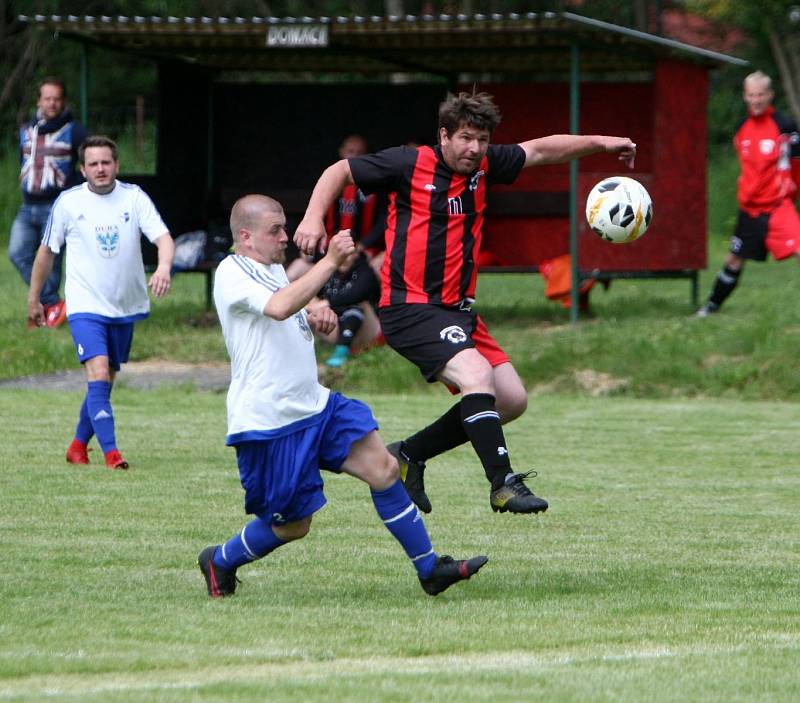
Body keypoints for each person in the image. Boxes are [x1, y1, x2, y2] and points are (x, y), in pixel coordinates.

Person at [295, 91, 636, 516]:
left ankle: (409, 455)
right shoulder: (410, 162)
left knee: (511, 399)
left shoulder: (487, 164)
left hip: (457, 312)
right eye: (466, 138)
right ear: (444, 136)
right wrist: (312, 218)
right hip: (410, 307)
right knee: (478, 375)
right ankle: (502, 484)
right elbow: (339, 170)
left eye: (482, 140)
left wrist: (601, 143)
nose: (474, 149)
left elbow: (542, 149)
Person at [197, 194, 487, 598]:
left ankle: (430, 569)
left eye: (284, 227)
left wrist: (316, 311)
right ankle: (220, 560)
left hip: (316, 405)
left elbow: (290, 305)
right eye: (275, 230)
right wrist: (330, 263)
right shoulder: (231, 271)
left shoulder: (272, 269)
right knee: (293, 525)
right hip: (270, 421)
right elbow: (279, 308)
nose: (285, 237)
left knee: (385, 469)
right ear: (245, 236)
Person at [27, 136, 174, 469]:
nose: (100, 169)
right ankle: (112, 454)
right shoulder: (67, 203)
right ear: (82, 169)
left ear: (116, 166)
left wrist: (164, 267)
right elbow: (47, 252)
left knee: (105, 379)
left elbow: (163, 237)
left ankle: (78, 446)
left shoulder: (134, 198)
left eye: (106, 162)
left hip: (125, 305)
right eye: (93, 164)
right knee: (97, 372)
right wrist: (34, 298)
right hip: (84, 305)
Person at [696, 71, 800, 317]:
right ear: (745, 96)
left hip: (777, 206)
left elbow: (795, 161)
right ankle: (710, 308)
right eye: (751, 95)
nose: (756, 100)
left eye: (761, 95)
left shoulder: (784, 125)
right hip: (749, 209)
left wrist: (791, 186)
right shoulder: (741, 128)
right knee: (733, 260)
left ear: (770, 95)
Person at [288, 134, 383, 367]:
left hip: (363, 253)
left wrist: (362, 245)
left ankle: (387, 320)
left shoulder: (378, 183)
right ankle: (279, 321)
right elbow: (315, 220)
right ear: (341, 152)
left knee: (367, 284)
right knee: (297, 269)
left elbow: (386, 221)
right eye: (349, 152)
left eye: (358, 153)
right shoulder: (330, 184)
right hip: (332, 252)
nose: (353, 157)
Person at [10, 77, 88, 328]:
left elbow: (89, 158)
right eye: (47, 98)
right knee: (17, 252)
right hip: (27, 204)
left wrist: (73, 184)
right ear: (39, 101)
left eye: (56, 99)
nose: (52, 103)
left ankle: (46, 314)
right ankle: (52, 302)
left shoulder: (74, 130)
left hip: (56, 205)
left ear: (62, 101)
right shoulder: (26, 129)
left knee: (51, 260)